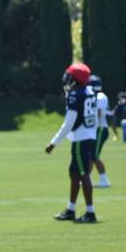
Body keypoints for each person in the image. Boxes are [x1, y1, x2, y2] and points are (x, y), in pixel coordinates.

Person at [46, 63, 98, 223]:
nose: (67, 80)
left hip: (81, 140)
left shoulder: (76, 95)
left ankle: (90, 212)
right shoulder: (89, 91)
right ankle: (71, 209)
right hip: (88, 136)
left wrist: (53, 143)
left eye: (70, 77)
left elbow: (68, 124)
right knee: (74, 173)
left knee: (83, 174)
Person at [89, 75, 111, 188]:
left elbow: (97, 114)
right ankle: (87, 179)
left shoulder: (100, 97)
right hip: (96, 129)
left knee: (94, 155)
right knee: (90, 156)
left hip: (100, 129)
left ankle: (104, 180)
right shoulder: (94, 96)